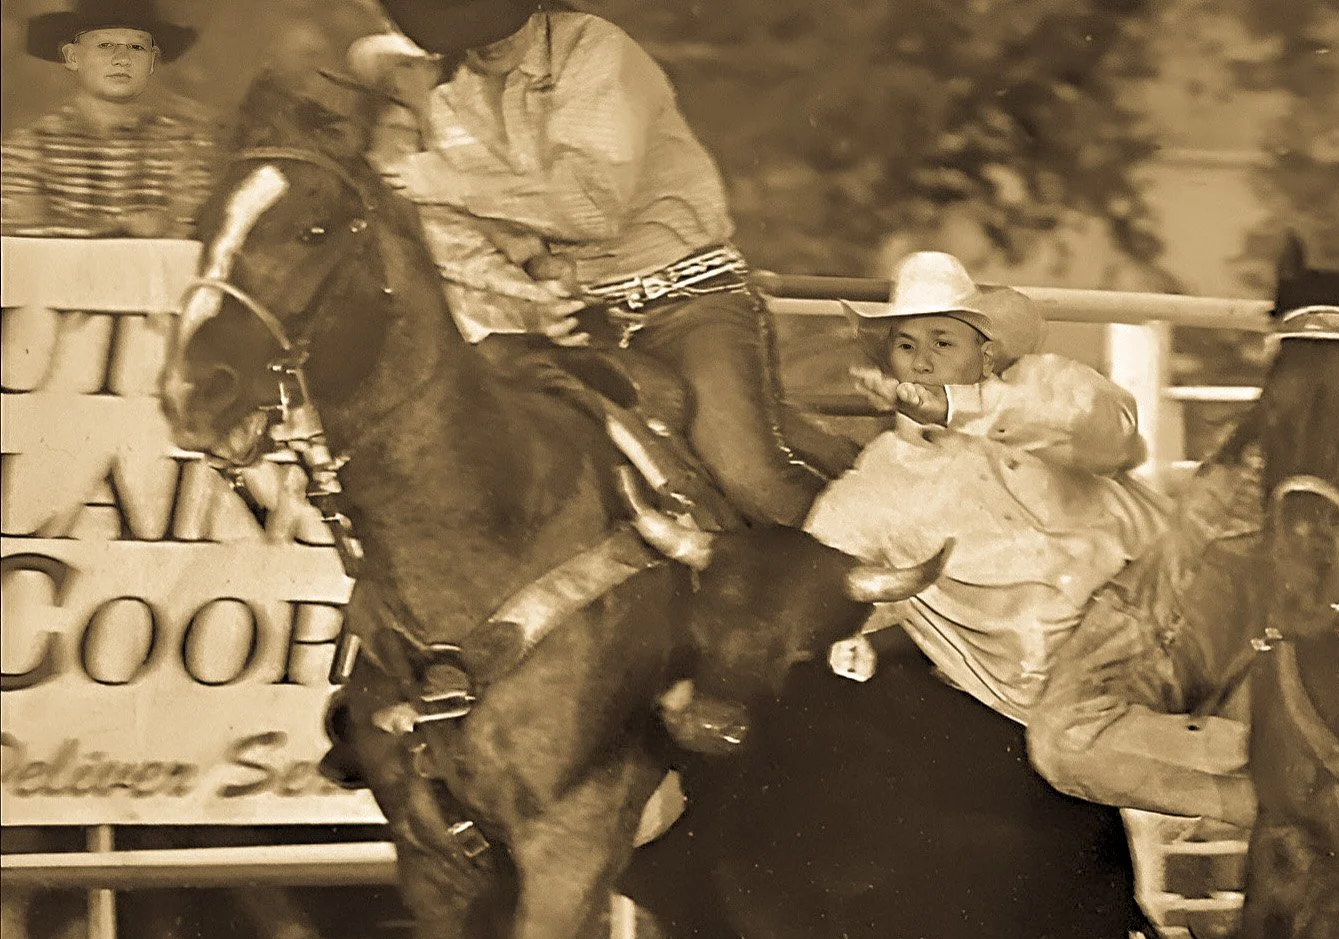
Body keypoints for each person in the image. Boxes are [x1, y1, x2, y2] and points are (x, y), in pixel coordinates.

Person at [366, 0, 828, 526]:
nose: (484, 39)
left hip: (688, 302)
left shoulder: (598, 52)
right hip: (586, 321)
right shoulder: (454, 97)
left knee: (749, 478)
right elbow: (475, 236)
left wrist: (456, 186)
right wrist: (532, 302)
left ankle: (882, 585)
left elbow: (594, 205)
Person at [805, 251, 1170, 725]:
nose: (923, 363)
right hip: (1066, 675)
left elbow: (1117, 440)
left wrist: (962, 408)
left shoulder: (1046, 384)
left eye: (943, 343)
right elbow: (826, 574)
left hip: (1164, 590)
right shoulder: (876, 485)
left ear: (987, 352)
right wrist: (856, 637)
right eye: (907, 346)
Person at [0, 0, 217, 239]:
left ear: (153, 61)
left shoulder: (181, 146)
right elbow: (18, 233)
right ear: (72, 57)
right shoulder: (29, 148)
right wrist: (123, 227)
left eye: (136, 47)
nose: (122, 59)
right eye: (105, 45)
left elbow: (196, 229)